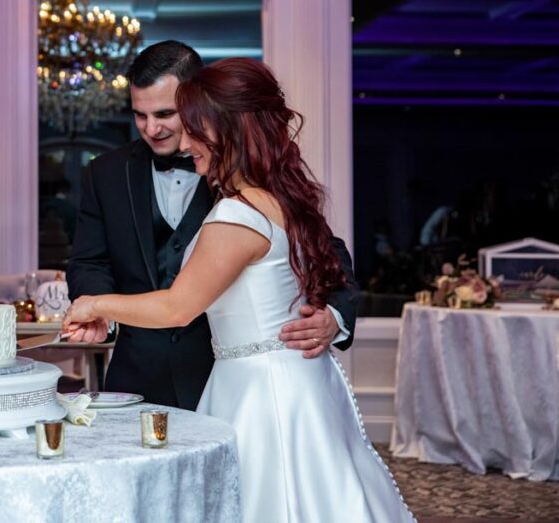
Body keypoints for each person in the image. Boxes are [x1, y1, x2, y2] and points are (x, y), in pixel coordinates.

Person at [64, 57, 413, 521]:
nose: (178, 140)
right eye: (140, 115)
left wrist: (94, 305)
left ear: (223, 125)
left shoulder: (236, 209)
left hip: (256, 388)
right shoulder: (279, 193)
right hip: (167, 375)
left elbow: (178, 305)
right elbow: (90, 259)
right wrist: (95, 300)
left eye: (178, 120)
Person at [66, 40, 360, 409]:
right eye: (140, 115)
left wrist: (335, 316)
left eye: (166, 114)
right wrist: (102, 316)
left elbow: (324, 251)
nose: (151, 128)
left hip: (228, 375)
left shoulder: (251, 181)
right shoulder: (105, 173)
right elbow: (88, 262)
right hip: (139, 373)